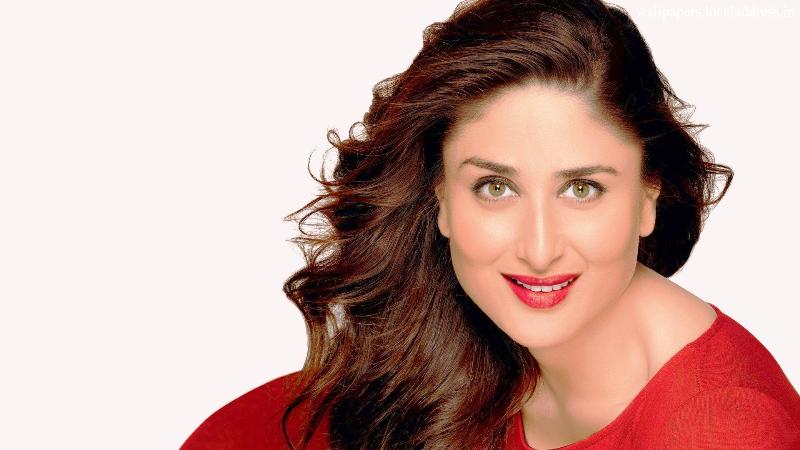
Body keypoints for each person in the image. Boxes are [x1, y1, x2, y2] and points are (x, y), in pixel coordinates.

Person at [181, 0, 800, 448]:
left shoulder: (719, 428)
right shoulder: (473, 352)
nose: (539, 249)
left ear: (647, 197)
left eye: (582, 189)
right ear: (441, 198)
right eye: (495, 188)